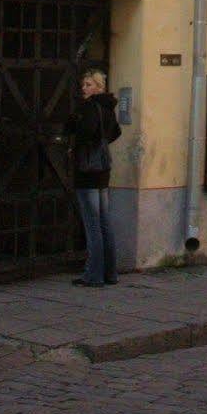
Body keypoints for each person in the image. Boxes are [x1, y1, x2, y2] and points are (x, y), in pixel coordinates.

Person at [70, 68, 123, 287]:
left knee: (92, 224)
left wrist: (75, 140)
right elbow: (116, 132)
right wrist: (102, 144)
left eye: (89, 84)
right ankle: (111, 273)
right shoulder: (107, 106)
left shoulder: (91, 107)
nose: (84, 88)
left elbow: (86, 132)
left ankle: (93, 275)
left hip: (88, 170)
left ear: (99, 87)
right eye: (83, 84)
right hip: (103, 169)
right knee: (104, 222)